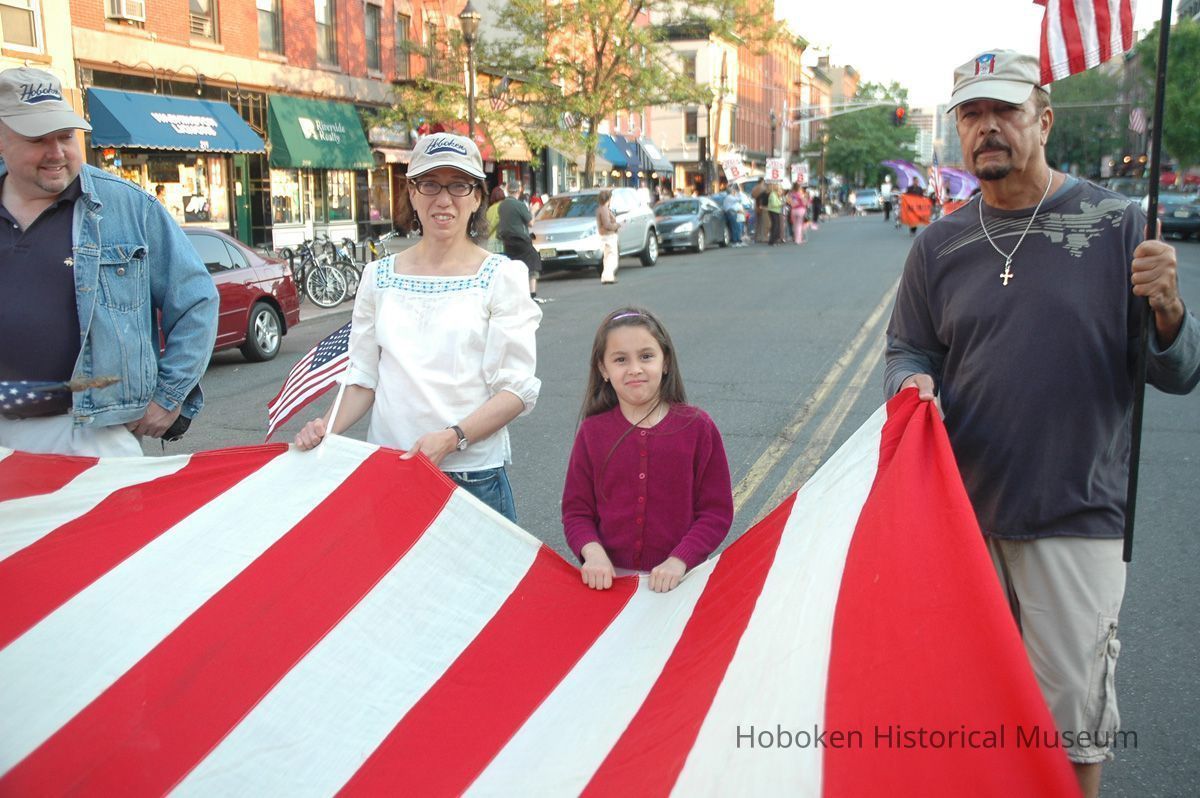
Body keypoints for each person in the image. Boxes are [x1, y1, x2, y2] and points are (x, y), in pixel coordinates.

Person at [884, 50, 1200, 798]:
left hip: (1076, 514)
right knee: (973, 716)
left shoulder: (1118, 224)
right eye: (971, 114)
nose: (987, 128)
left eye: (1006, 111)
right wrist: (911, 383)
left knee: (1070, 727)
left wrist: (1168, 309)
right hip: (964, 518)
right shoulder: (938, 245)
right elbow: (909, 347)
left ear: (1044, 120)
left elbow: (1179, 372)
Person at [294, 133, 542, 522]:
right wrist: (325, 427)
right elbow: (362, 379)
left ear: (476, 197)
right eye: (430, 184)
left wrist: (452, 438)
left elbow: (516, 390)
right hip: (393, 470)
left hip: (472, 478)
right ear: (412, 193)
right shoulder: (377, 276)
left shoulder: (501, 276)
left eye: (458, 185)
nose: (443, 199)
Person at [0, 67, 217, 457]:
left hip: (94, 432)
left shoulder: (128, 206)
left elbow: (197, 299)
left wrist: (168, 396)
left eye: (65, 136)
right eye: (37, 139)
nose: (56, 153)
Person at [562, 307, 733, 593]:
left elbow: (716, 512)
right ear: (603, 369)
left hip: (681, 581)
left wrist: (680, 560)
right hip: (610, 583)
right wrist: (592, 553)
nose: (635, 369)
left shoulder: (697, 428)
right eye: (620, 359)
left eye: (646, 356)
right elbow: (576, 512)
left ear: (665, 362)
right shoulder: (592, 432)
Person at [497, 180, 543, 302]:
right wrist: (533, 211)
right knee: (533, 261)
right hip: (520, 238)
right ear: (519, 190)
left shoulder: (502, 205)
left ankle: (515, 293)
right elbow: (531, 223)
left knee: (514, 264)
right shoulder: (519, 205)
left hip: (507, 239)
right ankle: (532, 294)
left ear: (508, 190)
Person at [596, 189, 621, 284]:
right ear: (608, 199)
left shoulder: (600, 209)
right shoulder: (604, 209)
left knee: (607, 258)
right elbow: (607, 225)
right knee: (612, 257)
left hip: (603, 235)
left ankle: (605, 277)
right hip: (609, 236)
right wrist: (617, 225)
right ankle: (608, 277)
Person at [484, 185, 505, 253]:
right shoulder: (505, 206)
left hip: (493, 243)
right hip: (503, 243)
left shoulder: (491, 208)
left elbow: (490, 226)